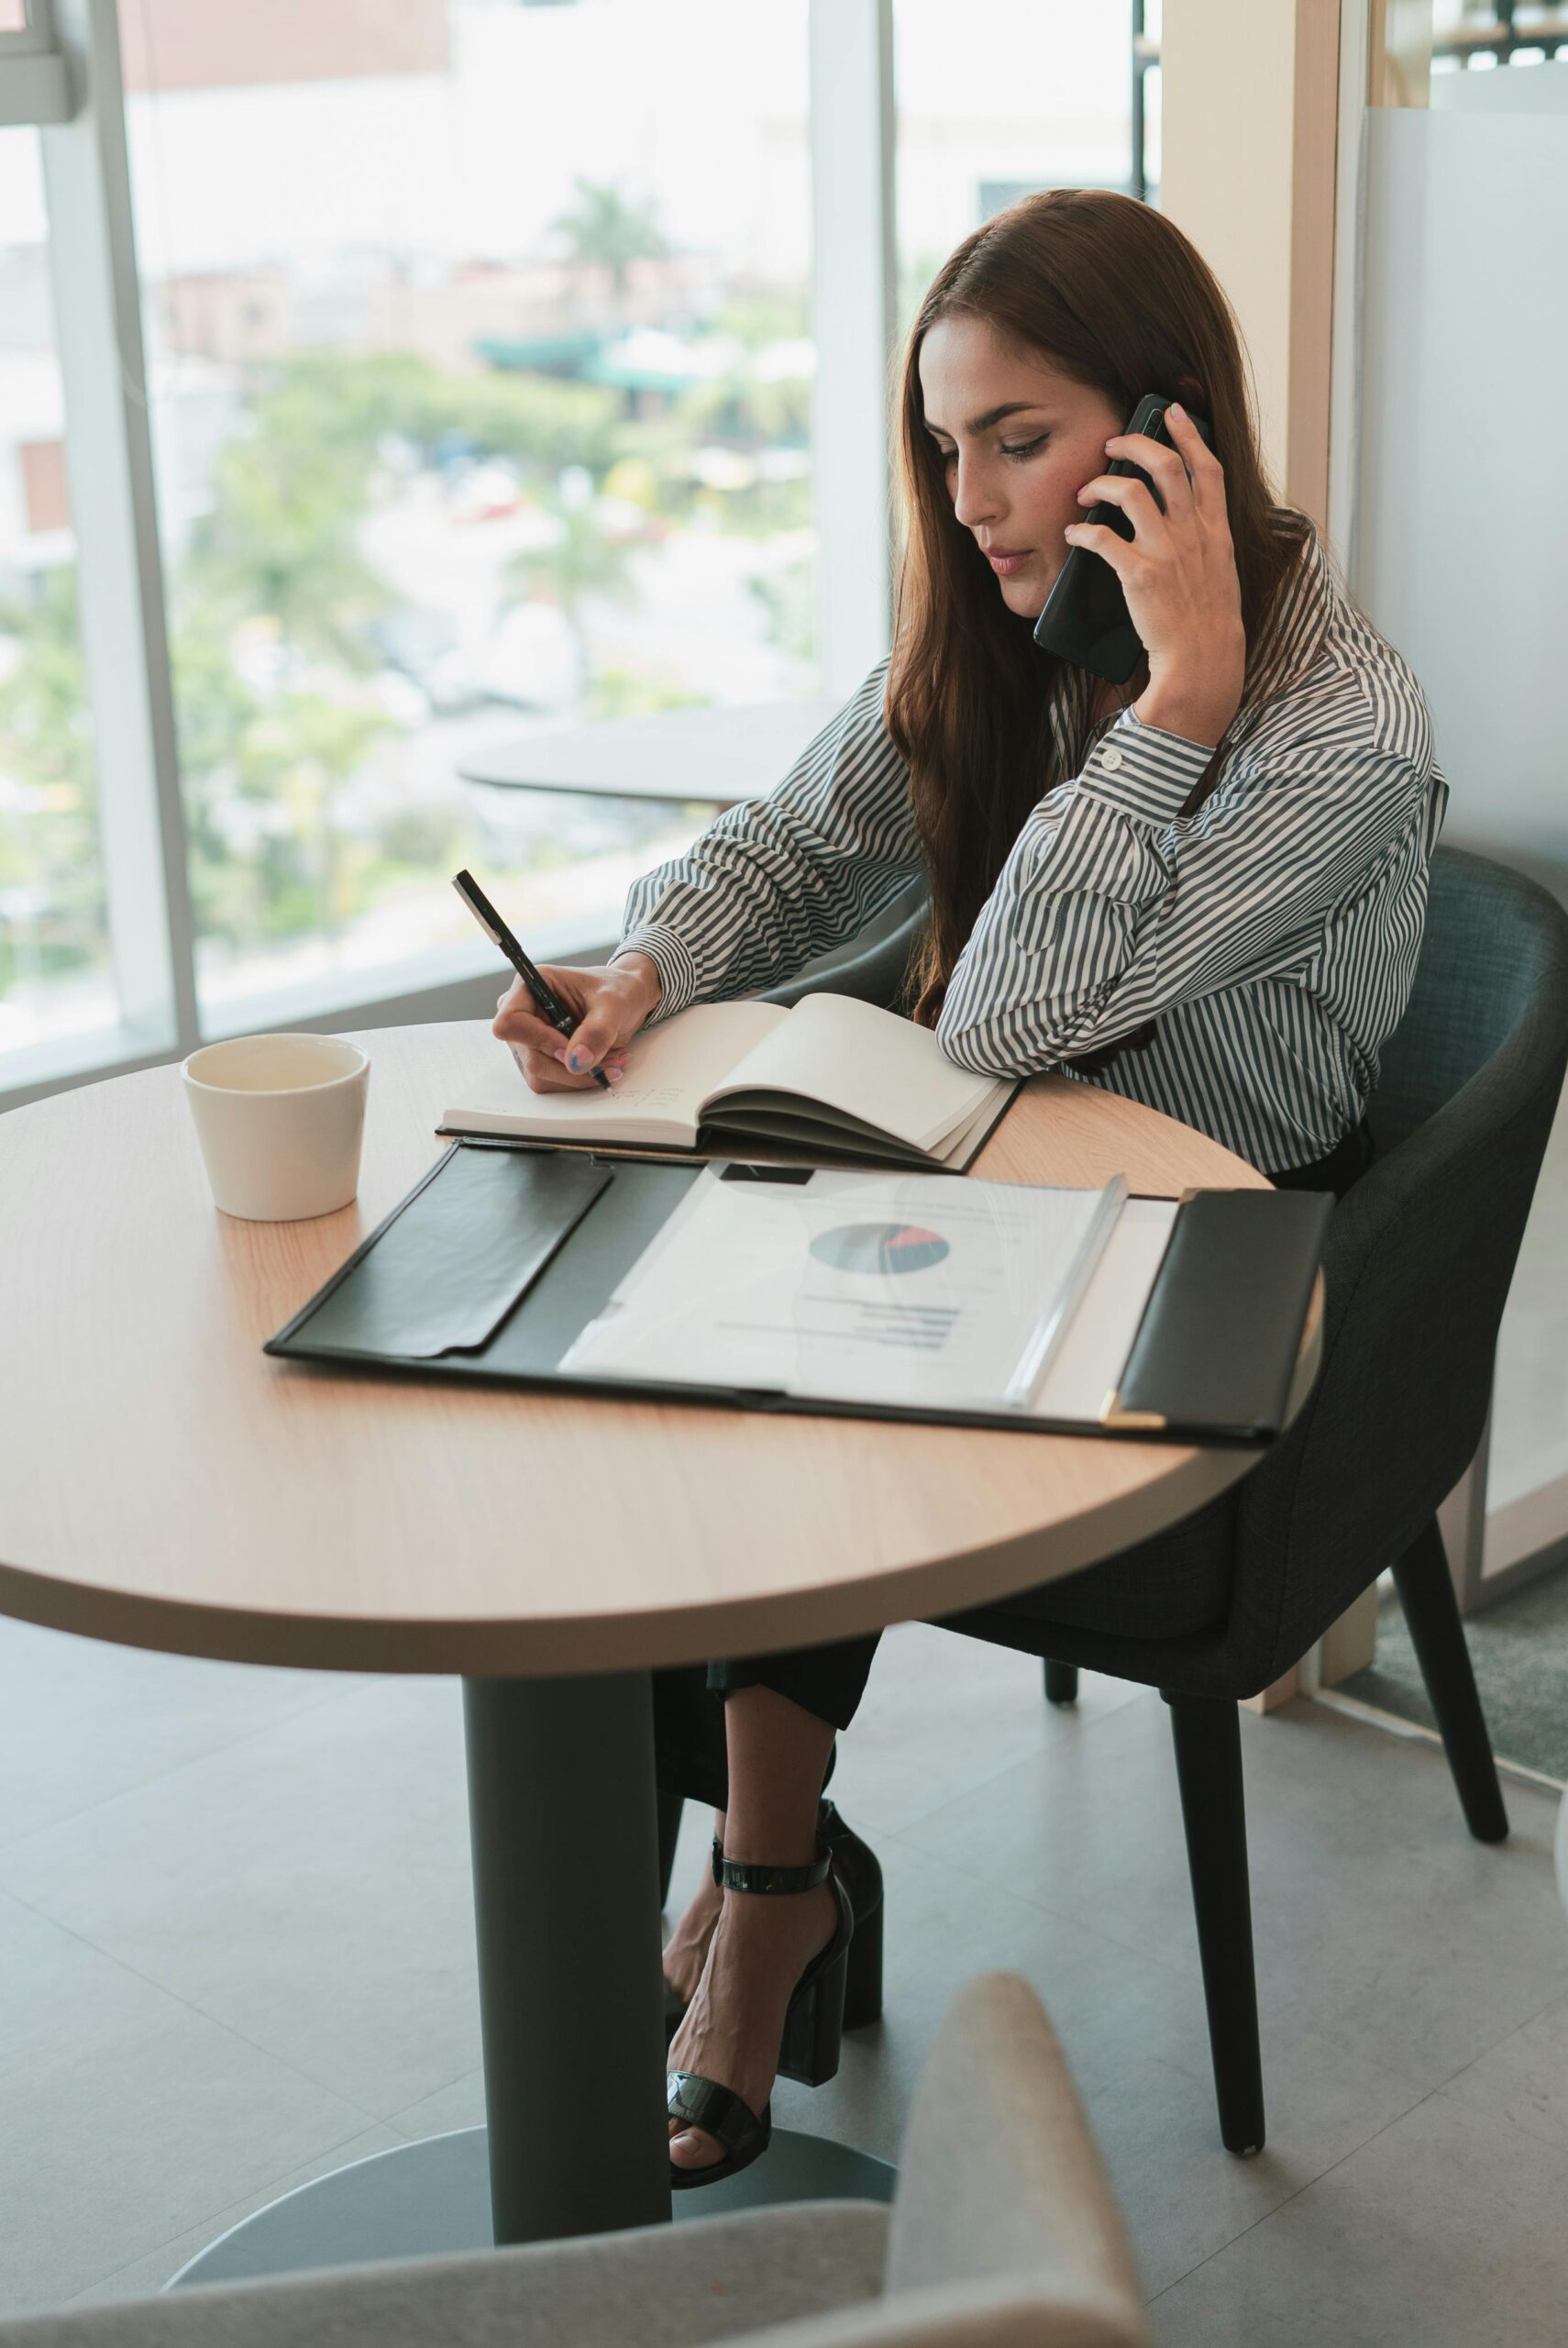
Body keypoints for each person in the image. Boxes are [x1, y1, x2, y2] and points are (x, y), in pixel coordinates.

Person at [492, 188, 1447, 2187]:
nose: (981, 497)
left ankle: (762, 1901)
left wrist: (1172, 707)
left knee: (804, 1365)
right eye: (949, 445)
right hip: (1005, 1179)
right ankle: (775, 1861)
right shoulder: (1000, 624)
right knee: (688, 1333)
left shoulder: (1332, 727)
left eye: (1022, 438)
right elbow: (788, 837)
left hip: (1217, 1235)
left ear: (1170, 426)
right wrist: (646, 966)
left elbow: (1006, 1009)